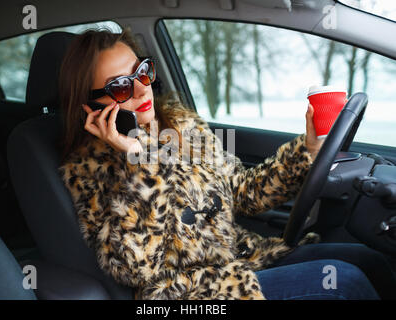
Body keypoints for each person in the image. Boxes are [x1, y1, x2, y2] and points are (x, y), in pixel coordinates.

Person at [57, 28, 381, 300]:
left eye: (142, 71)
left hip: (243, 262)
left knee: (369, 262)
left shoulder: (179, 125)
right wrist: (140, 161)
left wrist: (307, 151)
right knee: (344, 281)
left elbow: (241, 192)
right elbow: (135, 268)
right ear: (90, 105)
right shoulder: (91, 169)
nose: (142, 88)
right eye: (120, 86)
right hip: (189, 295)